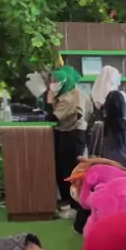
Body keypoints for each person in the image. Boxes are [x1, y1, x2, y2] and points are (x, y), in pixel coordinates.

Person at [47, 66, 92, 217]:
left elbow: (53, 117)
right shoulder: (68, 94)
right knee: (64, 169)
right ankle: (70, 203)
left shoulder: (69, 98)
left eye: (54, 81)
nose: (52, 84)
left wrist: (49, 100)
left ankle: (75, 206)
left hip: (72, 135)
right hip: (67, 133)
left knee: (70, 170)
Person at [89, 90, 126, 176]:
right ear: (123, 107)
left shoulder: (99, 126)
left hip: (105, 169)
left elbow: (92, 150)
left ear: (106, 107)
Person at [91, 65, 126, 130]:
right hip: (117, 131)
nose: (119, 83)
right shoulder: (120, 96)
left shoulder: (91, 97)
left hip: (97, 132)